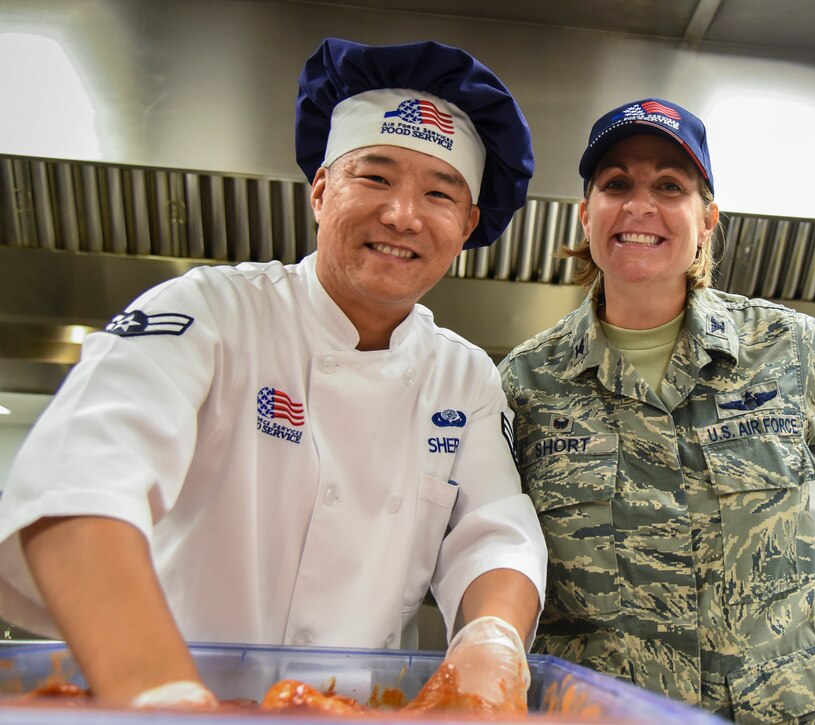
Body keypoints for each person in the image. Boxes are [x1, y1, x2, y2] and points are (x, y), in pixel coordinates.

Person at [0, 38, 547, 711]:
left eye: (438, 193)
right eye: (374, 178)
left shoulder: (463, 376)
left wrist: (491, 639)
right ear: (321, 190)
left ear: (465, 225)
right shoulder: (208, 311)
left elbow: (494, 528)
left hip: (346, 709)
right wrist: (161, 694)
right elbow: (81, 482)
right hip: (149, 691)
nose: (402, 214)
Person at [498, 98, 815, 723]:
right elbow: (483, 540)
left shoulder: (785, 348)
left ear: (707, 218)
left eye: (669, 186)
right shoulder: (524, 384)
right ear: (585, 214)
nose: (639, 205)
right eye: (616, 183)